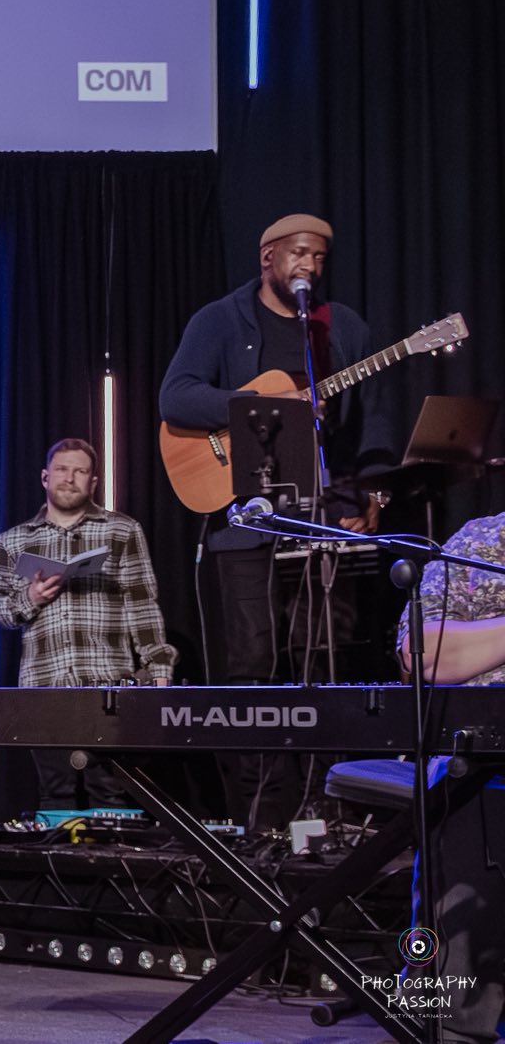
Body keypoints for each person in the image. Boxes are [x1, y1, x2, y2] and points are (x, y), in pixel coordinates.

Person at [159, 213, 398, 828]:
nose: (309, 268)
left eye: (318, 257)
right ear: (267, 258)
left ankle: (331, 817)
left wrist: (372, 489)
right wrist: (260, 405)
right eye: (297, 254)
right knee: (254, 670)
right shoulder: (218, 320)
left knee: (327, 666)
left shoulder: (341, 327)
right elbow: (176, 396)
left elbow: (374, 418)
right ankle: (263, 823)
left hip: (321, 525)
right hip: (244, 522)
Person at [0, 438, 175, 809]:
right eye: (61, 469)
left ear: (93, 482)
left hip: (107, 686)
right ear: (45, 477)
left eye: (80, 471)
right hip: (44, 688)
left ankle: (113, 868)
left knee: (113, 792)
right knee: (55, 796)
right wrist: (32, 597)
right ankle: (62, 867)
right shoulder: (14, 540)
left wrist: (159, 669)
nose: (69, 478)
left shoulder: (121, 530)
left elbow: (142, 604)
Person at [394, 512, 505, 1044]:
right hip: (485, 758)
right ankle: (452, 1021)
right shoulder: (481, 542)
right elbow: (425, 653)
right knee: (470, 795)